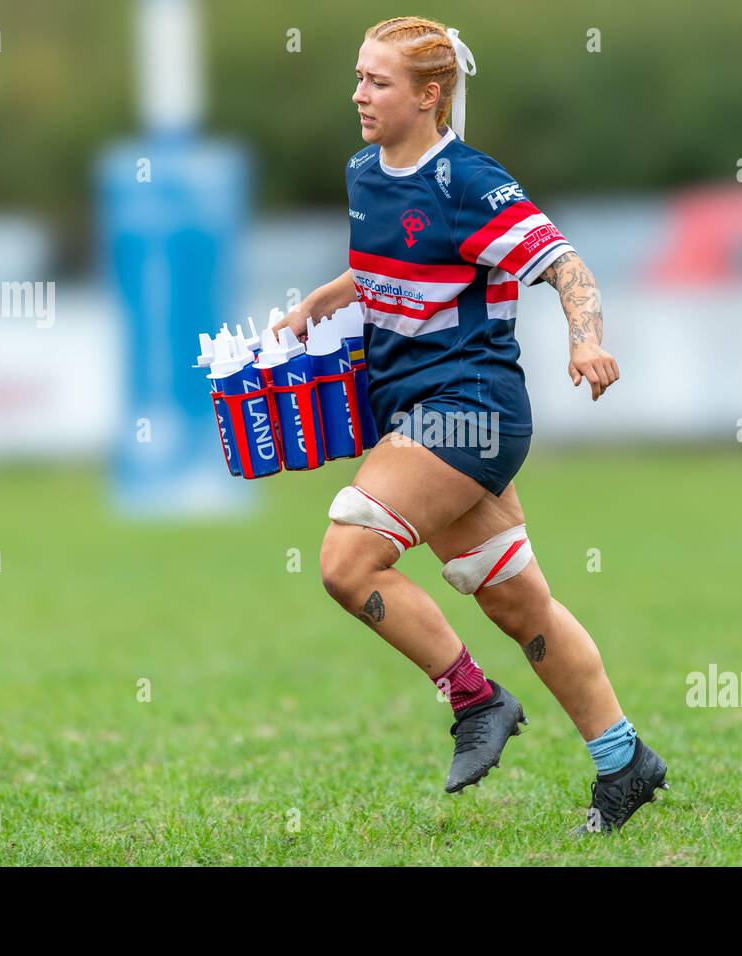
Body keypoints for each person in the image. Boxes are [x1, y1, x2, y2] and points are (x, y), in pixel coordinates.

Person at [275, 15, 668, 834]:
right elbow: (394, 259)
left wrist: (587, 339)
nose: (358, 94)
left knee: (348, 557)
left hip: (471, 414)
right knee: (519, 603)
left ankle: (476, 702)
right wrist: (325, 299)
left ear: (430, 95)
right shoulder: (363, 171)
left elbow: (566, 265)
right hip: (413, 410)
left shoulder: (470, 182)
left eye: (377, 82)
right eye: (358, 76)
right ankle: (623, 758)